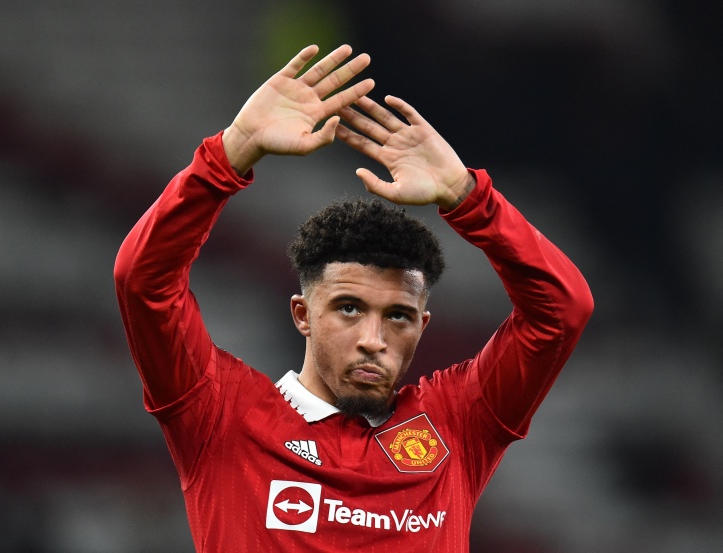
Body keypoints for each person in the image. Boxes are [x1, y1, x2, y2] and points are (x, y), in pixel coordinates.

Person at [114, 44, 593, 552]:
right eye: (349, 308)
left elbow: (562, 311)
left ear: (423, 326)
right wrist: (229, 154)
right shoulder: (221, 415)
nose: (373, 340)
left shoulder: (456, 425)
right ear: (302, 314)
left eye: (399, 316)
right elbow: (143, 281)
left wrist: (468, 197)